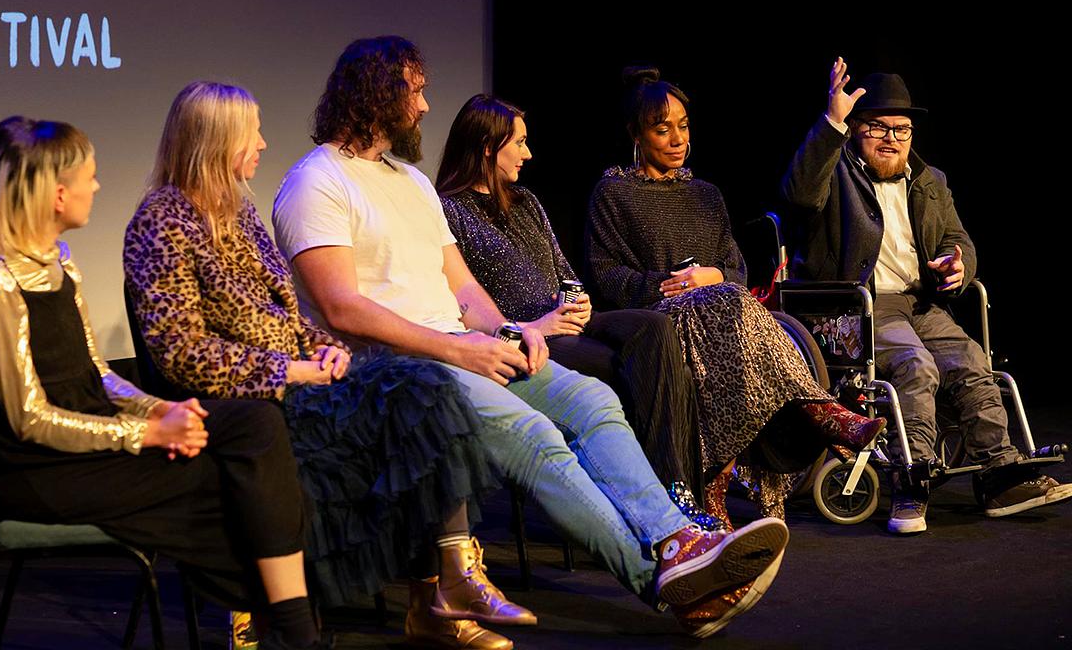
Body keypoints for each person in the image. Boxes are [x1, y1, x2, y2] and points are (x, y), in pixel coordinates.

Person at [270, 35, 790, 640]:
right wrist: (456, 348)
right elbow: (342, 309)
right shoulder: (318, 183)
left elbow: (461, 288)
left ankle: (676, 537)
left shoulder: (409, 182)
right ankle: (664, 580)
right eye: (417, 92)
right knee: (536, 434)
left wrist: (510, 330)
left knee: (595, 402)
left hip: (461, 348)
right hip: (396, 370)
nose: (426, 107)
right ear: (379, 96)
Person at [122, 82, 522, 650]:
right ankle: (278, 609)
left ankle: (444, 583)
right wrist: (289, 373)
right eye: (251, 131)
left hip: (301, 375)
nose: (262, 142)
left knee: (421, 389)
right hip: (240, 401)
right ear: (216, 140)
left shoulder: (238, 209)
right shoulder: (161, 222)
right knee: (396, 413)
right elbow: (182, 353)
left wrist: (321, 347)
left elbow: (286, 308)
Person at [0, 116, 324, 650]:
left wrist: (160, 412)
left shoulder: (62, 266)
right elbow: (29, 420)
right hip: (37, 465)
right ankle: (290, 630)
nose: (98, 187)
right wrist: (147, 435)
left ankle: (286, 628)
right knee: (225, 477)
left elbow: (98, 375)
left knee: (256, 425)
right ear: (57, 195)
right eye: (89, 178)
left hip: (93, 430)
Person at [780, 58, 1072, 533]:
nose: (891, 138)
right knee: (917, 367)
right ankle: (910, 482)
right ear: (856, 129)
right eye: (878, 127)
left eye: (902, 129)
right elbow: (797, 196)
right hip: (855, 308)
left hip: (920, 303)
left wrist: (958, 265)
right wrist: (830, 123)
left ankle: (998, 475)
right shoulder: (832, 174)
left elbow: (960, 241)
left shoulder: (930, 180)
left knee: (972, 361)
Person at [584, 67, 887, 523]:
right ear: (636, 134)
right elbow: (604, 273)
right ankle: (820, 411)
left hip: (721, 310)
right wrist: (667, 283)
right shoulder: (613, 192)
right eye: (661, 128)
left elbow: (736, 269)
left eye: (683, 126)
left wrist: (711, 276)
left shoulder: (706, 194)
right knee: (735, 310)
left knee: (736, 311)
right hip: (657, 316)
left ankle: (718, 482)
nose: (676, 138)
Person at [436, 94, 709, 520]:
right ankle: (649, 504)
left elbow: (565, 271)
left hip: (567, 322)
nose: (528, 153)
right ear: (489, 147)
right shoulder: (449, 212)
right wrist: (537, 325)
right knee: (627, 366)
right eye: (520, 142)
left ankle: (677, 489)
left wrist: (575, 301)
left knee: (654, 327)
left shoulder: (525, 201)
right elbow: (461, 302)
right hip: (528, 338)